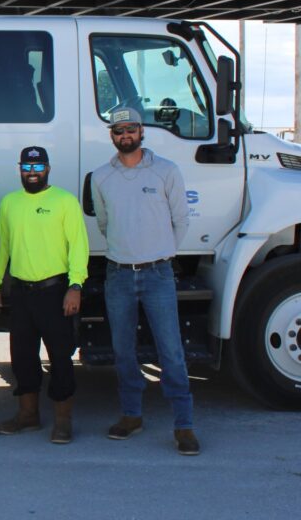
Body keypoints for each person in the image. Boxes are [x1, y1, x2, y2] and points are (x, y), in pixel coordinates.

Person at [90, 106, 200, 456]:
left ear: (142, 131)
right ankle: (131, 416)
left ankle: (183, 425)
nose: (126, 135)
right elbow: (104, 223)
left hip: (158, 274)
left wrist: (159, 251)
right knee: (123, 350)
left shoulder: (167, 171)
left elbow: (180, 220)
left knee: (171, 351)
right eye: (119, 130)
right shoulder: (100, 177)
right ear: (112, 135)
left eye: (131, 129)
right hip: (118, 274)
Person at [0, 146, 89, 444]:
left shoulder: (64, 201)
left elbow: (78, 247)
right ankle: (28, 415)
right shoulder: (9, 202)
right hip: (20, 292)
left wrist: (75, 286)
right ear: (20, 168)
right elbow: (3, 247)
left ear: (47, 168)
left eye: (38, 167)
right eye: (27, 168)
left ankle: (62, 421)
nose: (32, 173)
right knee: (22, 357)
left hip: (55, 291)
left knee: (60, 357)